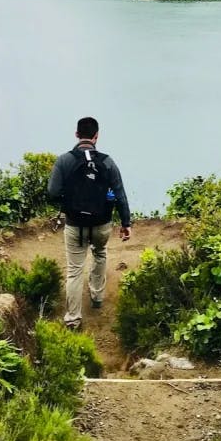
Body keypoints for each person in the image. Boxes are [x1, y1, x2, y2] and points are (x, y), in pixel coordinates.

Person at [46, 116, 131, 330]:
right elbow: (119, 194)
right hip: (102, 223)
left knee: (74, 271)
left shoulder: (64, 160)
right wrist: (125, 222)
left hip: (75, 224)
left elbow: (52, 192)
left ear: (76, 135)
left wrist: (67, 203)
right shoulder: (107, 161)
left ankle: (73, 318)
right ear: (96, 136)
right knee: (100, 253)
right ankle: (97, 296)